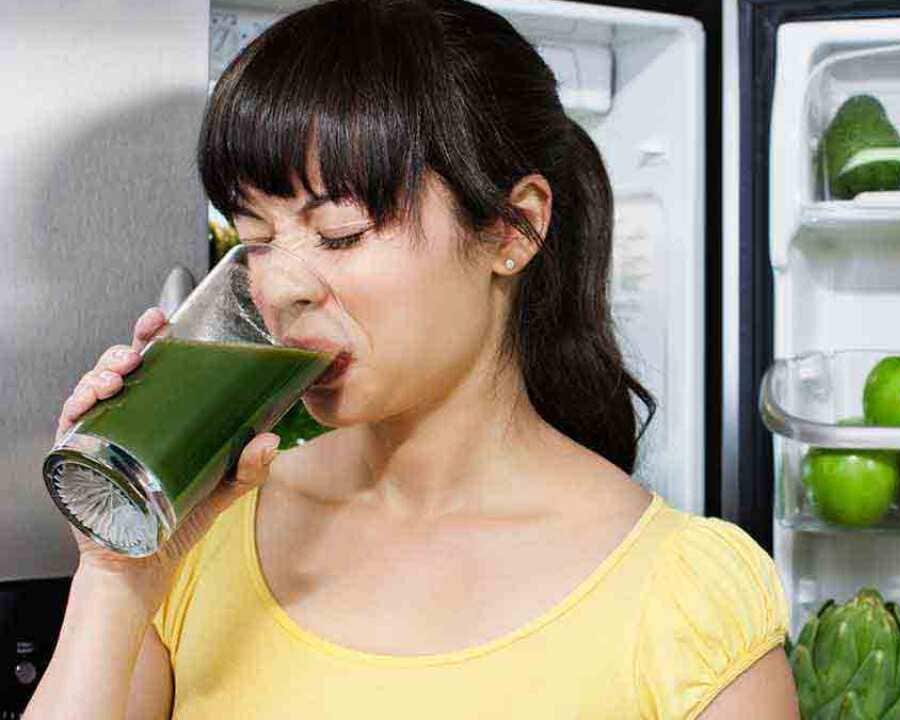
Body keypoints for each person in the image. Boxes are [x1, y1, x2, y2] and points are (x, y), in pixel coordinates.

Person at [26, 1, 798, 717]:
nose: (279, 288)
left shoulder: (681, 598)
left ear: (513, 230)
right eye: (255, 238)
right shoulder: (199, 535)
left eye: (340, 234)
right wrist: (116, 578)